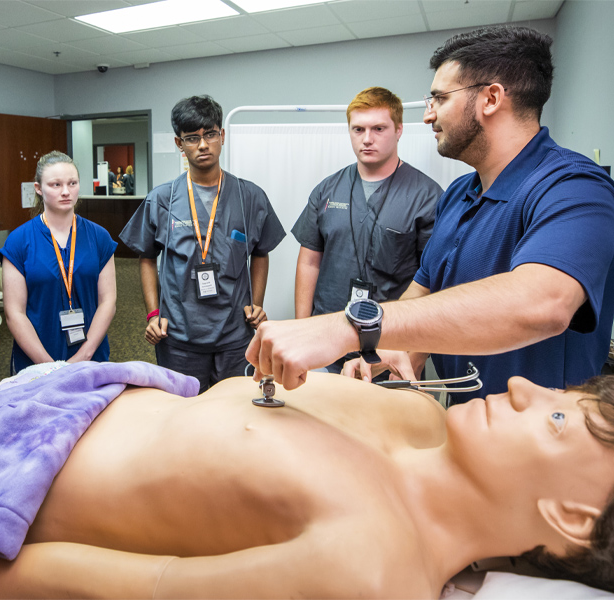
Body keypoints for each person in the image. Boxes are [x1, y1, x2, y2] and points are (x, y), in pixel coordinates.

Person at [0, 371, 614, 598]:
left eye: (557, 417)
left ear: (572, 518)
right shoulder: (415, 413)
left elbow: (137, 588)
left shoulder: (372, 569)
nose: (521, 383)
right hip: (69, 394)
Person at [247, 26, 614, 396]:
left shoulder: (575, 187)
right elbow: (426, 288)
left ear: (491, 99)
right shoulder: (458, 195)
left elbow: (542, 303)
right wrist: (380, 352)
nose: (429, 115)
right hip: (463, 417)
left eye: (439, 98)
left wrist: (350, 328)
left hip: (539, 435)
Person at [120, 95, 285, 391]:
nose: (203, 144)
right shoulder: (161, 199)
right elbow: (146, 256)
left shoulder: (250, 196)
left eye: (210, 134)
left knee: (235, 409)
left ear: (222, 136)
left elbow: (261, 252)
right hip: (180, 335)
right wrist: (153, 313)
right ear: (179, 144)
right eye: (192, 138)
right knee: (185, 411)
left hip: (235, 333)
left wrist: (256, 304)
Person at [292, 87, 442, 373]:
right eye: (358, 129)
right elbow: (309, 261)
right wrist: (303, 330)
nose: (367, 139)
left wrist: (416, 353)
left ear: (399, 130)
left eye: (379, 128)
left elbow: (436, 280)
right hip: (327, 338)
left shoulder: (427, 197)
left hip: (392, 345)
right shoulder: (327, 190)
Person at [0, 151, 117, 373]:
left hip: (90, 357)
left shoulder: (99, 237)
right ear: (38, 188)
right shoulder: (19, 240)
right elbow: (14, 313)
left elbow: (108, 302)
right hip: (36, 362)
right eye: (55, 185)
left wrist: (85, 354)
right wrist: (48, 367)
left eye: (72, 183)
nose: (66, 192)